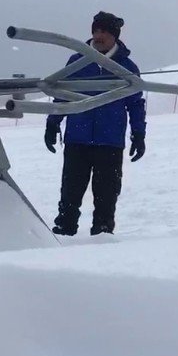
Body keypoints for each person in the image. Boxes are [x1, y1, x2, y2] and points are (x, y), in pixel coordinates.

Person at [45, 12, 146, 236]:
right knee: (70, 192)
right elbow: (62, 95)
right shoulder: (76, 62)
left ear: (114, 36)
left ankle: (102, 237)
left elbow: (135, 103)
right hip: (77, 139)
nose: (99, 36)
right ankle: (64, 232)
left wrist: (138, 133)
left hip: (110, 142)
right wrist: (53, 123)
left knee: (106, 195)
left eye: (104, 32)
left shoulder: (127, 67)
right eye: (96, 31)